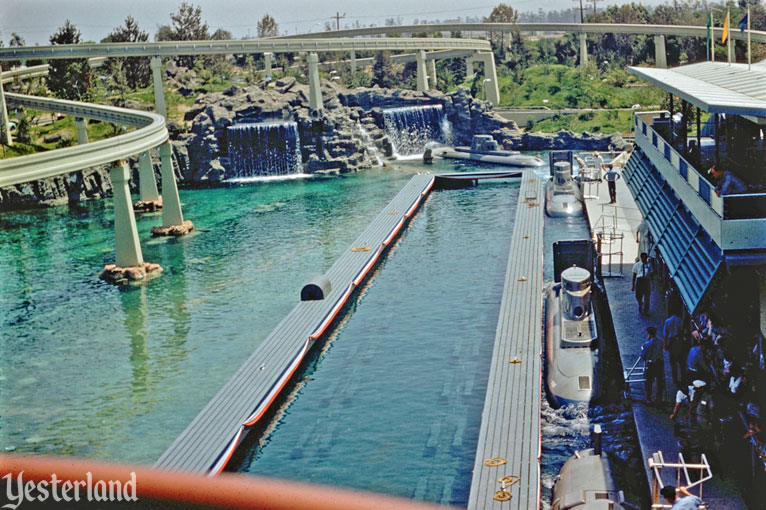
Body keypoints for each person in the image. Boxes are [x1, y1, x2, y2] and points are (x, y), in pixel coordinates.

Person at [641, 326, 665, 404]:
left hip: (651, 364)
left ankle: (648, 398)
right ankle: (659, 398)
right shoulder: (660, 342)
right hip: (659, 363)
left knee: (648, 381)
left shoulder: (647, 344)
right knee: (660, 381)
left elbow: (643, 356)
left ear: (649, 334)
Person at [663, 309, 686, 386]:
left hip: (671, 342)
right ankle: (683, 378)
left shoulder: (667, 321)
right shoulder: (680, 320)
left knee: (672, 362)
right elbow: (683, 331)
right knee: (681, 361)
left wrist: (665, 344)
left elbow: (665, 334)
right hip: (679, 341)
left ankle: (675, 378)